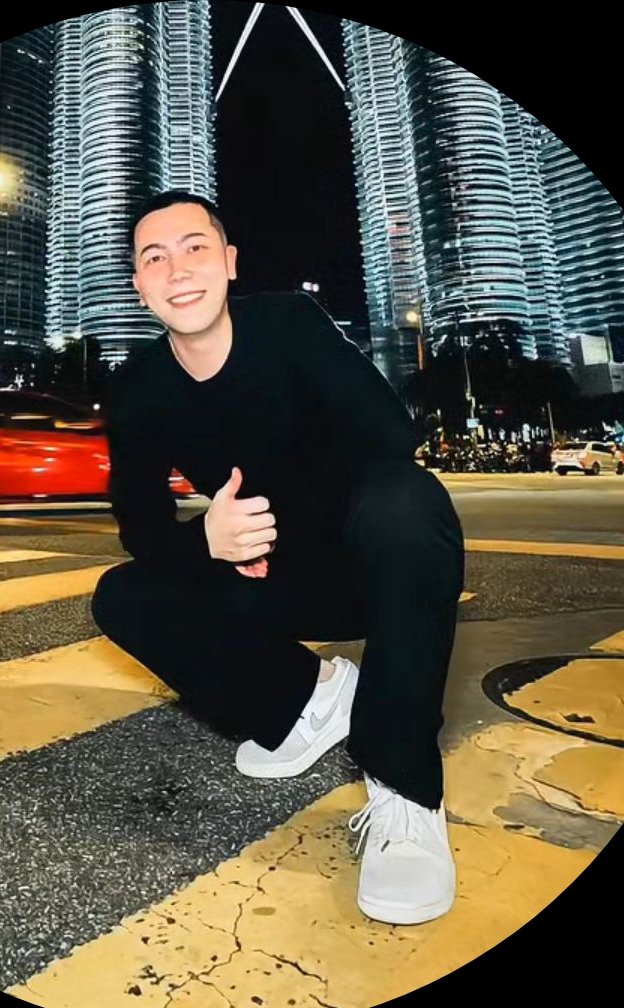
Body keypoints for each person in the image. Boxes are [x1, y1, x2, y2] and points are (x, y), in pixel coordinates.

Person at [91, 191, 465, 926]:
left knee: (405, 499)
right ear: (139, 286)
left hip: (367, 562)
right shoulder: (136, 388)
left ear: (229, 263)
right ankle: (314, 700)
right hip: (265, 578)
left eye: (195, 247)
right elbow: (141, 526)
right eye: (154, 257)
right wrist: (209, 541)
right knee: (122, 596)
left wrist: (276, 522)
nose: (178, 269)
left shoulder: (290, 324)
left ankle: (405, 791)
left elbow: (391, 435)